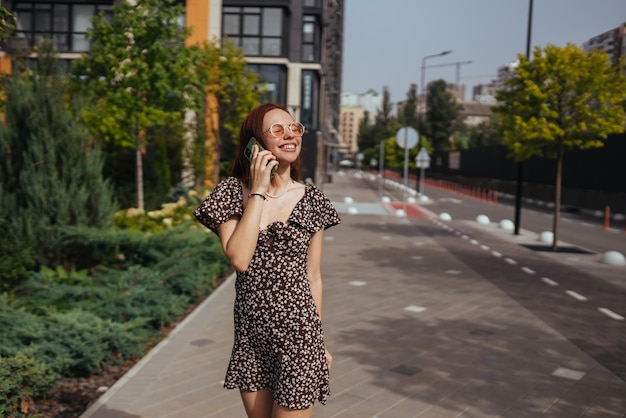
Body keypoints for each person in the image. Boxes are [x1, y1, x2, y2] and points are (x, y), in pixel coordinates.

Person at [194, 103, 340, 418]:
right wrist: (258, 192)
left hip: (300, 337)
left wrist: (318, 341)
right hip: (252, 338)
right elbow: (239, 258)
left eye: (294, 128)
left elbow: (313, 277)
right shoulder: (231, 193)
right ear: (254, 145)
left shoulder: (312, 200)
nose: (290, 135)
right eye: (277, 130)